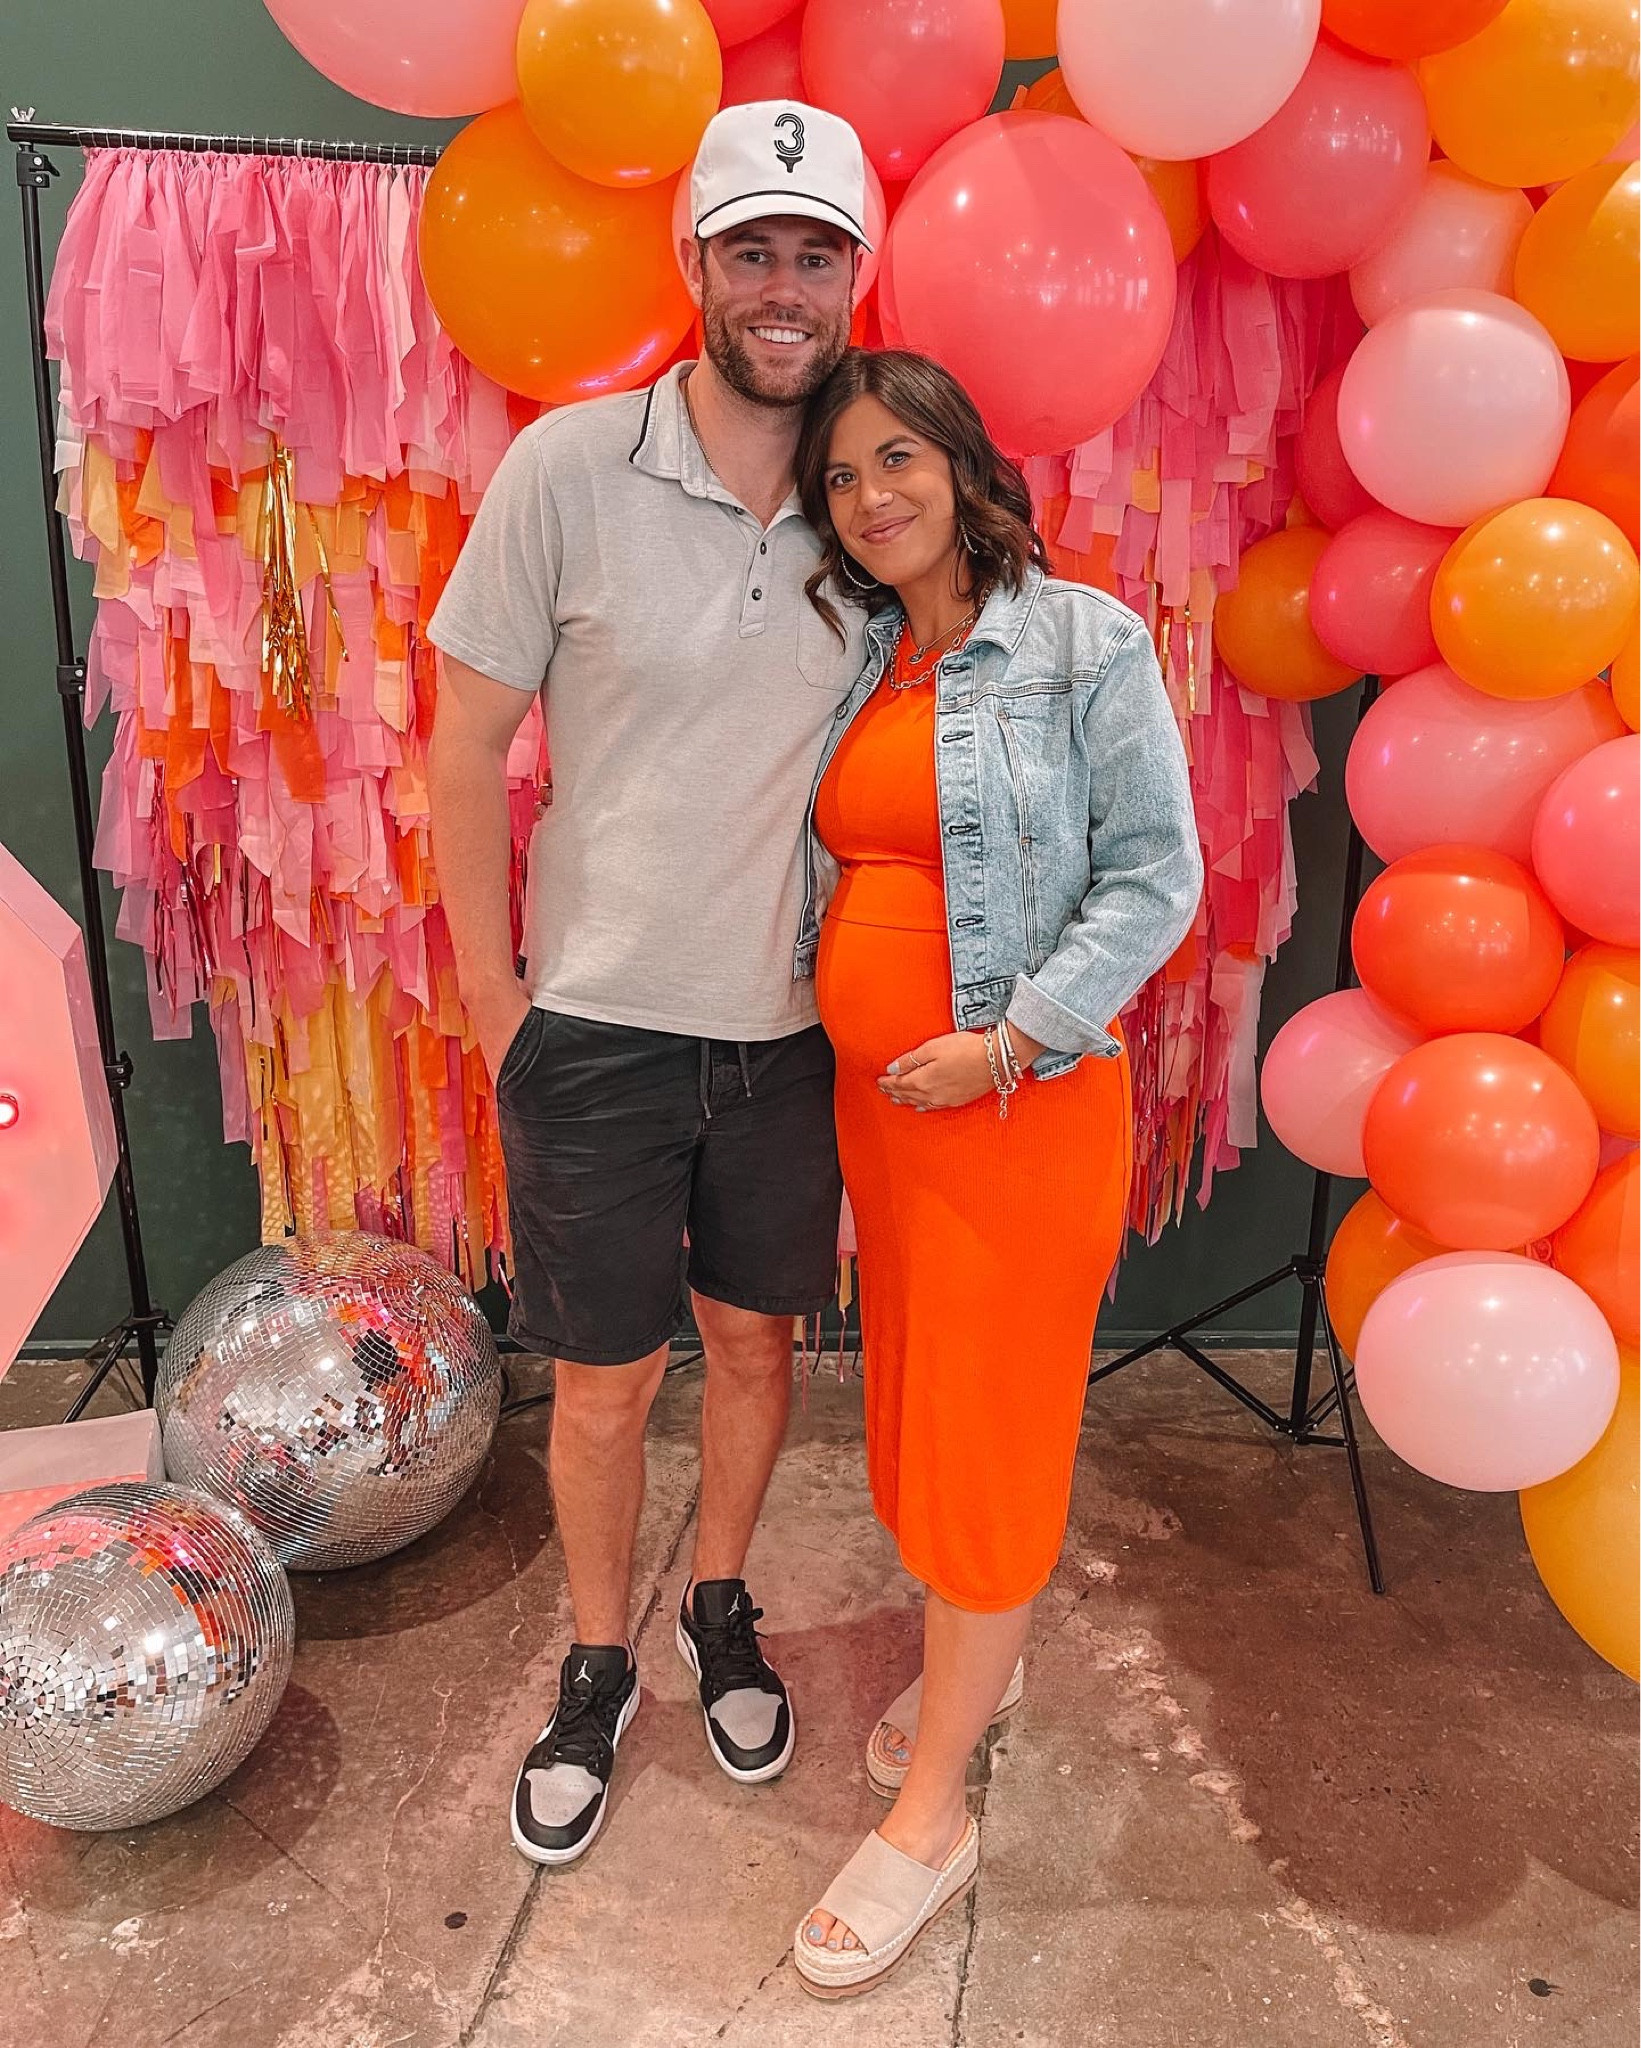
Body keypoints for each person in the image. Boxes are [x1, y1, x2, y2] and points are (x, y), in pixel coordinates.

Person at [425, 101, 873, 1869]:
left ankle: (720, 1606)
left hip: (794, 1037)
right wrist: (495, 998)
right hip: (595, 1030)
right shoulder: (567, 470)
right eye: (752, 249)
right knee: (604, 1384)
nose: (782, 287)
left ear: (853, 277)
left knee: (756, 1346)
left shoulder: (880, 492)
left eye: (815, 253)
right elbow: (465, 740)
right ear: (694, 263)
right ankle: (598, 1660)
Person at [785, 349, 1203, 1998]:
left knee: (988, 1431)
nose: (868, 497)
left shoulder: (1079, 641)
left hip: (1013, 1117)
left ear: (962, 467)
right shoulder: (865, 656)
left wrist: (1009, 1041)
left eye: (896, 458)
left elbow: (1153, 878)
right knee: (921, 1407)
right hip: (886, 1120)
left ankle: (933, 1816)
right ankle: (983, 1657)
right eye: (839, 476)